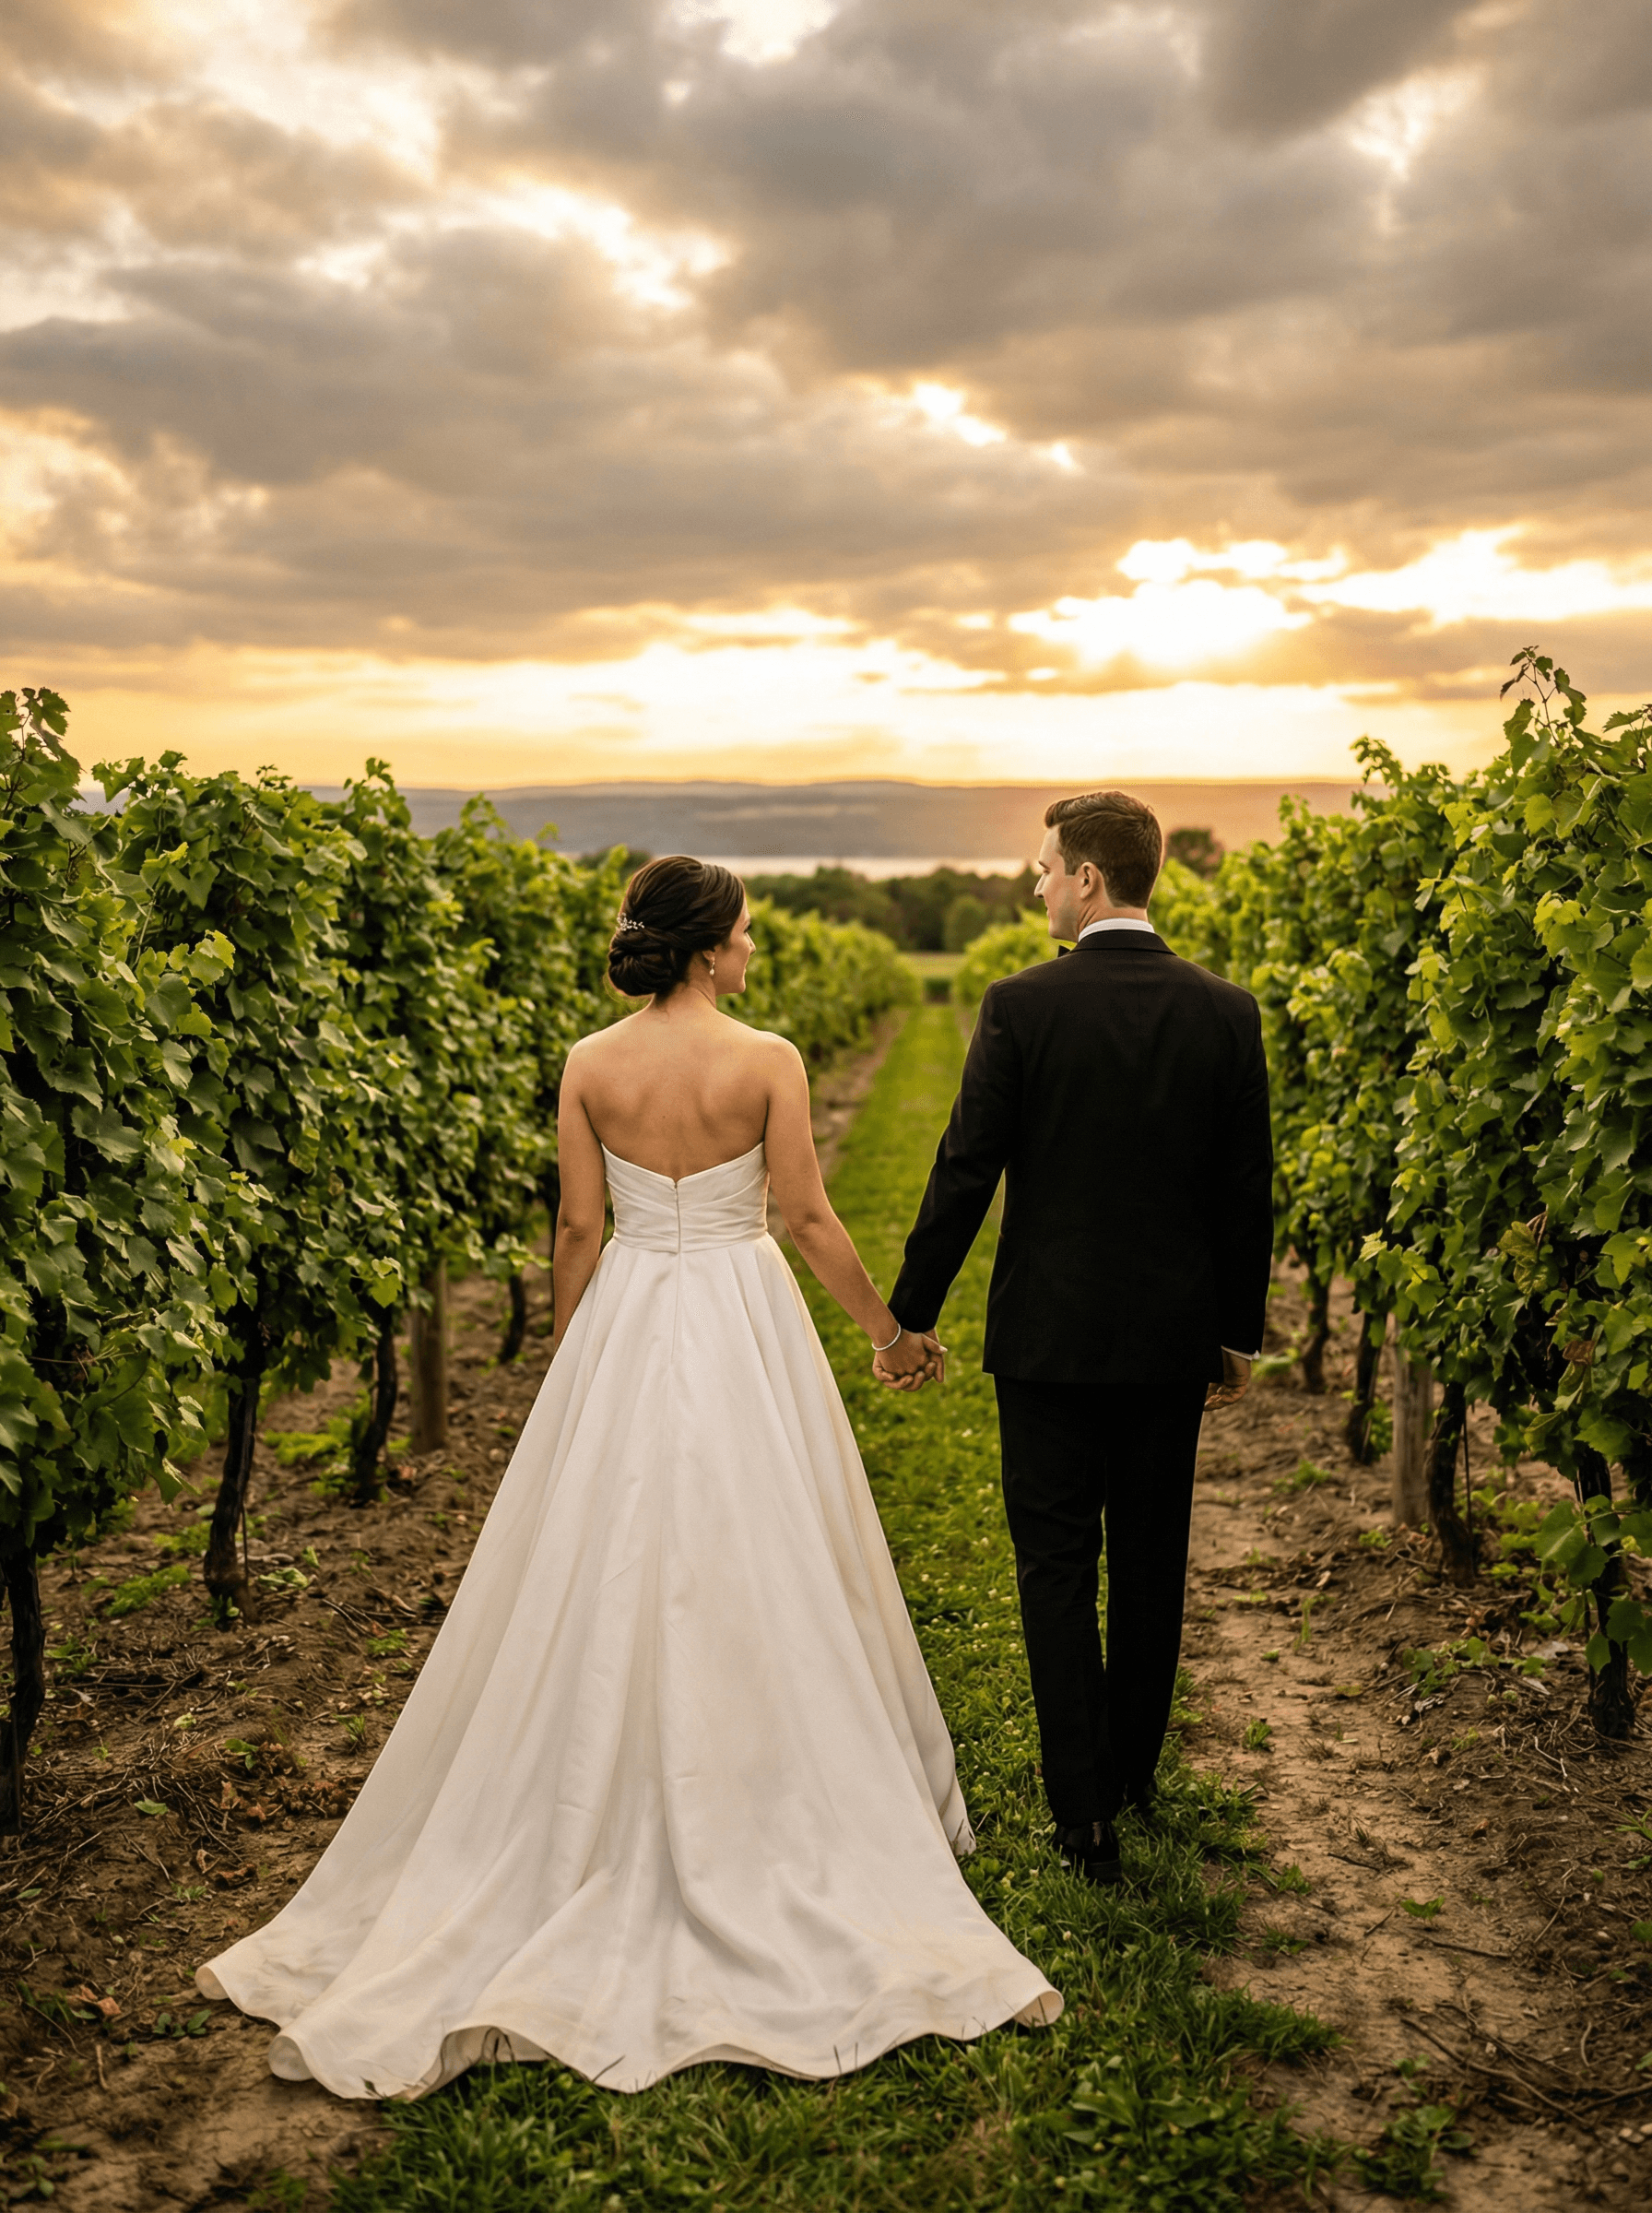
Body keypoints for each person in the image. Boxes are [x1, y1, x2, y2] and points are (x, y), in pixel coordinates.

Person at [196, 856, 1059, 2101]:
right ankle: (766, 1787)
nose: (756, 954)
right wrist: (887, 1332)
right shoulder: (767, 1058)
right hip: (739, 1309)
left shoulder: (591, 1063)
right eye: (748, 936)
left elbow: (578, 1231)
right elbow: (806, 1217)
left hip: (632, 1307)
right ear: (711, 947)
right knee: (761, 1552)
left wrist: (571, 1355)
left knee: (601, 1560)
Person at [884, 790, 1272, 1887]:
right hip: (1167, 1341)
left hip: (1047, 1339)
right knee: (1151, 1562)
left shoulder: (1020, 1005)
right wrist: (1233, 1333)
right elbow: (1247, 1188)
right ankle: (1133, 1775)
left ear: (1089, 879)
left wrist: (914, 1314)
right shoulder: (1224, 1010)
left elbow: (966, 1168)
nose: (1037, 886)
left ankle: (1081, 1810)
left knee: (1054, 1565)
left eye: (1045, 868)